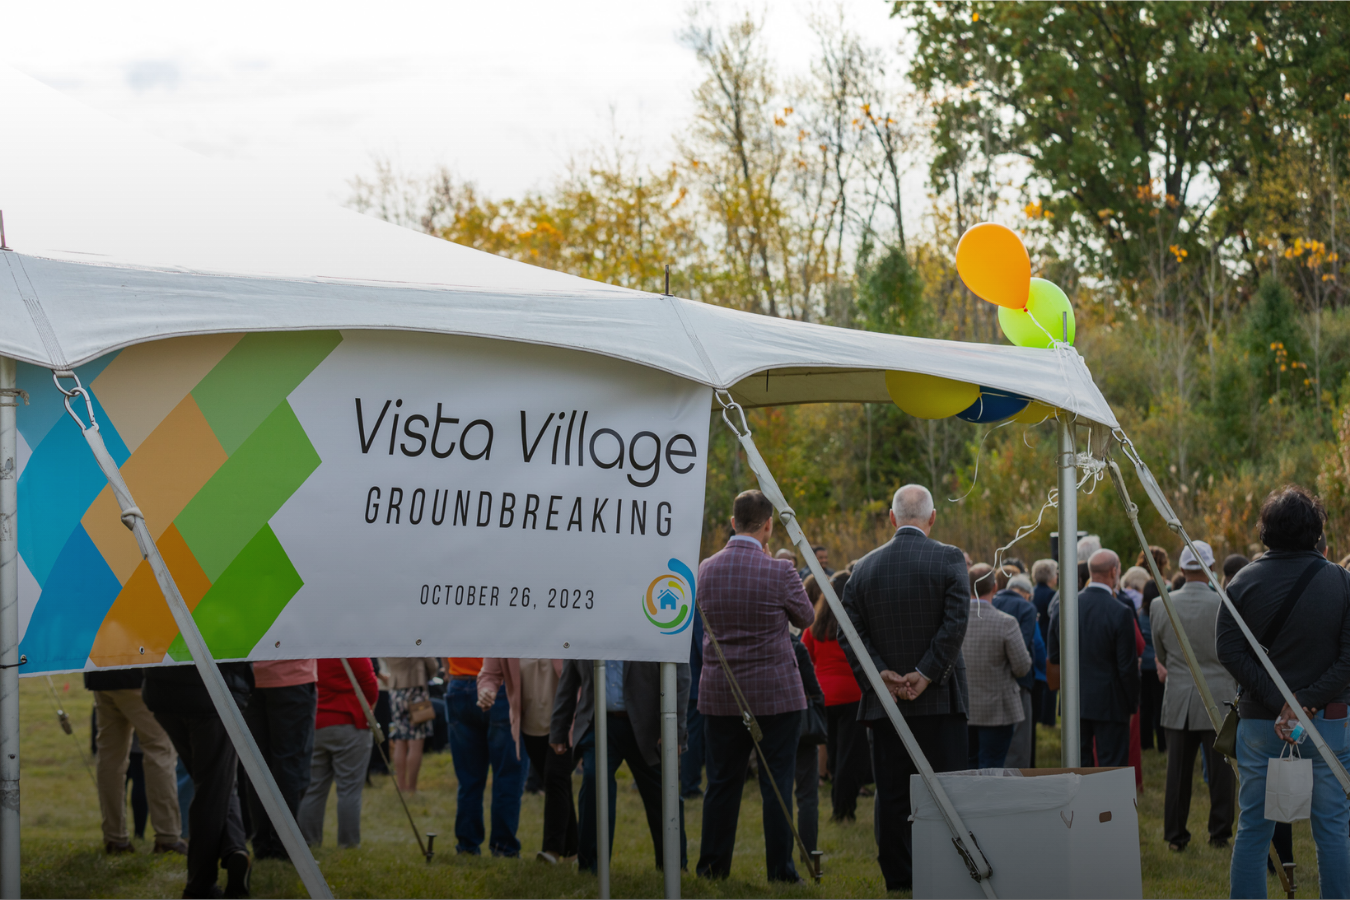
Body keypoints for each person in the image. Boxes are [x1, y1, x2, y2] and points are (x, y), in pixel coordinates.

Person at [1218, 486, 1350, 898]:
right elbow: (1348, 662)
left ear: (1265, 531)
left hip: (1261, 721)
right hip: (1326, 720)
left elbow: (1228, 651)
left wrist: (1285, 703)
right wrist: (1300, 703)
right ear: (1317, 531)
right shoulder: (1343, 582)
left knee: (1253, 829)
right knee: (1332, 829)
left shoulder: (1242, 581)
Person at [840, 484, 970, 892]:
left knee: (892, 795)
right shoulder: (949, 557)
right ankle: (949, 872)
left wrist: (879, 675)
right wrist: (926, 673)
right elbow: (956, 623)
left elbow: (849, 634)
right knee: (948, 794)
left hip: (886, 704)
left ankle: (898, 877)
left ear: (892, 518)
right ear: (932, 518)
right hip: (939, 700)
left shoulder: (861, 569)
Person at [696, 488, 814, 883]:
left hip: (720, 692)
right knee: (777, 784)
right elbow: (807, 616)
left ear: (733, 522)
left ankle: (712, 868)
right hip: (776, 693)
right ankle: (780, 872)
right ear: (768, 526)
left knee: (721, 783)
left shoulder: (704, 569)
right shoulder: (780, 571)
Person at [550, 657, 690, 873]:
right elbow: (569, 680)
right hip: (597, 723)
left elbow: (679, 674)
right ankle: (591, 868)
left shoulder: (651, 623)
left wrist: (675, 730)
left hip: (649, 726)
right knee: (593, 782)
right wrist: (559, 727)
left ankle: (673, 866)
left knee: (663, 794)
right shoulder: (584, 625)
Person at [1147, 541, 1236, 852]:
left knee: (1177, 772)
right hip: (1219, 695)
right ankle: (1220, 833)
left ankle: (1175, 834)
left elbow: (1160, 652)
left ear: (1182, 569)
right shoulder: (1225, 602)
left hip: (1180, 695)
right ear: (1210, 567)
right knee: (1223, 771)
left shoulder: (1160, 604)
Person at [144, 663, 254, 900]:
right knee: (212, 788)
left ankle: (234, 848)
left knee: (215, 781)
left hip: (163, 691)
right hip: (215, 693)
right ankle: (199, 886)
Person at [1049, 549, 1140, 766]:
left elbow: (1054, 655)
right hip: (1111, 702)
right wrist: (1132, 703)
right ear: (1114, 571)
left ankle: (1083, 802)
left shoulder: (1064, 606)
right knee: (1111, 768)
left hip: (1074, 700)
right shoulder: (1121, 611)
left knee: (1077, 766)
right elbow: (1126, 667)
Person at [477, 658, 573, 863]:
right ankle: (575, 851)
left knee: (556, 778)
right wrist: (487, 690)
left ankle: (552, 851)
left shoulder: (564, 628)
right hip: (531, 726)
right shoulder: (508, 634)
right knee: (557, 783)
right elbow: (489, 675)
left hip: (567, 721)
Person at [85, 668, 185, 855]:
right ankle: (168, 838)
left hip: (100, 674)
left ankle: (115, 838)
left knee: (110, 756)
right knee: (159, 749)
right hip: (138, 675)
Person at [802, 570, 867, 822]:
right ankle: (843, 810)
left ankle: (838, 807)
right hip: (851, 695)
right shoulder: (853, 622)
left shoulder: (815, 623)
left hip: (824, 696)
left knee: (834, 752)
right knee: (850, 756)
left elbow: (806, 657)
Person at [441, 656, 520, 856]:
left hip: (459, 682)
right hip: (498, 684)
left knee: (468, 778)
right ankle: (503, 848)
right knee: (507, 775)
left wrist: (448, 670)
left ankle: (467, 845)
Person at [299, 658, 378, 848]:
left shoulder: (309, 646)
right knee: (349, 790)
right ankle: (349, 844)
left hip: (315, 722)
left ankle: (308, 844)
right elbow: (370, 686)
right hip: (350, 721)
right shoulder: (350, 646)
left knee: (312, 790)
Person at [242, 660, 316, 861]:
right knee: (290, 765)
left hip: (252, 677)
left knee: (258, 764)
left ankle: (263, 843)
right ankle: (286, 846)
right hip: (292, 675)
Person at [965, 564, 1032, 768]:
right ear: (995, 587)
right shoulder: (1006, 622)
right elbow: (1022, 667)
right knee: (992, 766)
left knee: (968, 766)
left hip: (964, 708)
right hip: (997, 711)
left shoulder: (954, 619)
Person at [990, 566, 1037, 767]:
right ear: (1027, 594)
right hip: (1018, 679)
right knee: (1018, 739)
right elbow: (1023, 644)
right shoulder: (1027, 608)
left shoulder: (993, 601)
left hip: (989, 676)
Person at [791, 633, 825, 869]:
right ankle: (808, 853)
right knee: (807, 796)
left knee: (777, 794)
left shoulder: (759, 644)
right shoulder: (797, 648)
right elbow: (814, 690)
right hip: (801, 726)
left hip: (771, 727)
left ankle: (780, 857)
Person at [385, 657, 440, 794]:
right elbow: (432, 665)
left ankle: (401, 786)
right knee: (416, 740)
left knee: (400, 739)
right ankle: (412, 788)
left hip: (395, 689)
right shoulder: (417, 638)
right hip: (415, 689)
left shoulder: (388, 638)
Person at [679, 609, 706, 800]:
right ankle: (689, 785)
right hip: (695, 683)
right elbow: (701, 643)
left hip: (688, 681)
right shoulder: (695, 607)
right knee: (693, 739)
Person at [1031, 559, 1059, 726]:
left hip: (1034, 638)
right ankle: (1048, 719)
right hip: (1047, 639)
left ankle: (1039, 716)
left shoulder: (1031, 592)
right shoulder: (1052, 596)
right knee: (1049, 682)